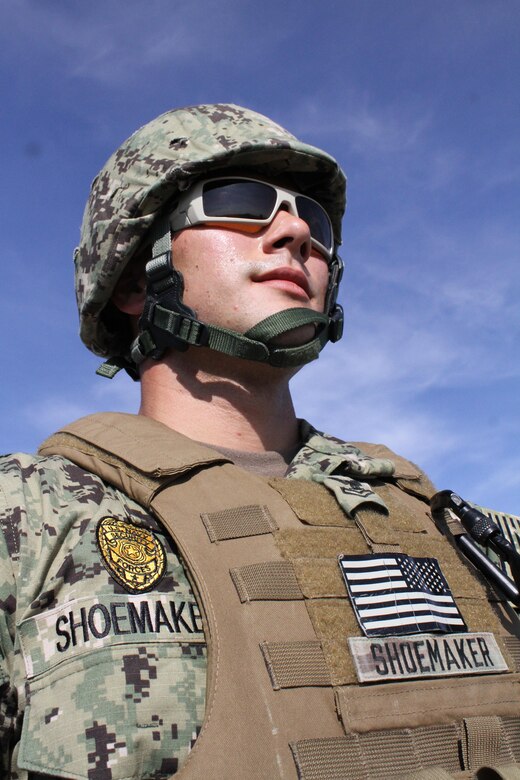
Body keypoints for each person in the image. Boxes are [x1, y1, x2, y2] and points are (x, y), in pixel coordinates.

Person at [1, 103, 520, 780]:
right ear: (134, 279)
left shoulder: (464, 531)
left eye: (314, 217)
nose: (297, 230)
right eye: (240, 202)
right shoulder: (30, 522)